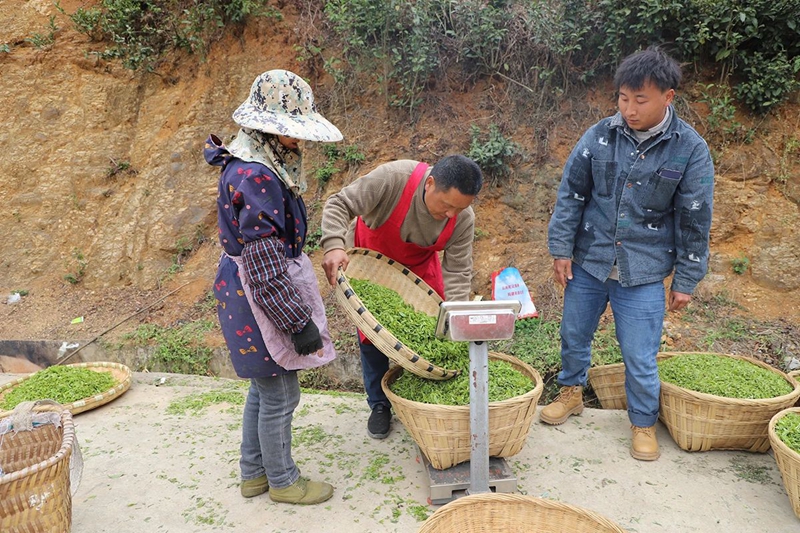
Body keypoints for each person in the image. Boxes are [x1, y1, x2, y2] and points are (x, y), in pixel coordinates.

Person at [543, 46, 714, 461]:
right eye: (623, 98)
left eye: (640, 100)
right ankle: (571, 393)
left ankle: (642, 422)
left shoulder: (689, 150)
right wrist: (561, 249)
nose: (629, 109)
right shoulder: (600, 135)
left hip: (644, 269)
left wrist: (687, 279)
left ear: (667, 97)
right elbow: (572, 194)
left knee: (639, 353)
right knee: (573, 333)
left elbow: (695, 217)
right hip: (590, 259)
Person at [204, 69, 342, 504]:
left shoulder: (244, 162)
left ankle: (253, 474)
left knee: (262, 385)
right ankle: (283, 481)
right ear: (268, 130)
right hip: (260, 294)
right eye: (293, 134)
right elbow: (265, 268)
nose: (299, 143)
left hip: (242, 288)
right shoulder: (257, 177)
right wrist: (299, 322)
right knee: (282, 391)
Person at [320, 155, 483, 439]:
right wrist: (334, 244)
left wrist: (455, 317)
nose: (451, 215)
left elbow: (458, 271)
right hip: (371, 261)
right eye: (446, 205)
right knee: (372, 336)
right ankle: (379, 405)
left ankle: (420, 402)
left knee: (431, 335)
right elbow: (339, 203)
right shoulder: (393, 178)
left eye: (459, 209)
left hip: (419, 270)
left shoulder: (462, 219)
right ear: (430, 184)